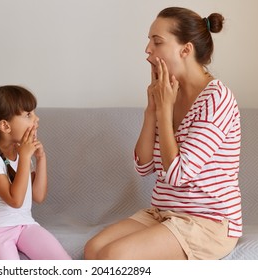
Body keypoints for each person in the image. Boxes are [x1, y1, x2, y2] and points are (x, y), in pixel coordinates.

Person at [84, 7, 241, 260]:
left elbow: (178, 174)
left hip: (208, 223)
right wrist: (153, 109)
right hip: (163, 213)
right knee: (93, 249)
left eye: (157, 42)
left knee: (114, 257)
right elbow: (143, 166)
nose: (148, 49)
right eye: (149, 41)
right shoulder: (169, 92)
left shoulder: (216, 99)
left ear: (185, 50)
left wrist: (165, 112)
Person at [0, 85, 71, 260]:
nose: (37, 119)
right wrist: (25, 157)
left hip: (24, 225)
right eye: (28, 115)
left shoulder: (22, 153)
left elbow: (38, 196)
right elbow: (15, 201)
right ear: (5, 126)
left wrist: (41, 159)